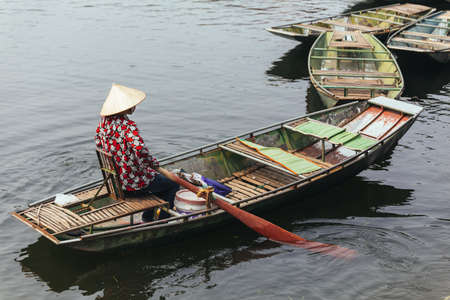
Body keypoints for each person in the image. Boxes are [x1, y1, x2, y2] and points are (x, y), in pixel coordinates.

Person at [95, 83, 179, 221]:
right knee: (173, 185)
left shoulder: (103, 125)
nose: (134, 106)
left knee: (156, 178)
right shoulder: (128, 127)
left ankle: (147, 216)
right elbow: (140, 150)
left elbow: (99, 144)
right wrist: (153, 164)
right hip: (132, 184)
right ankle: (162, 219)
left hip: (117, 183)